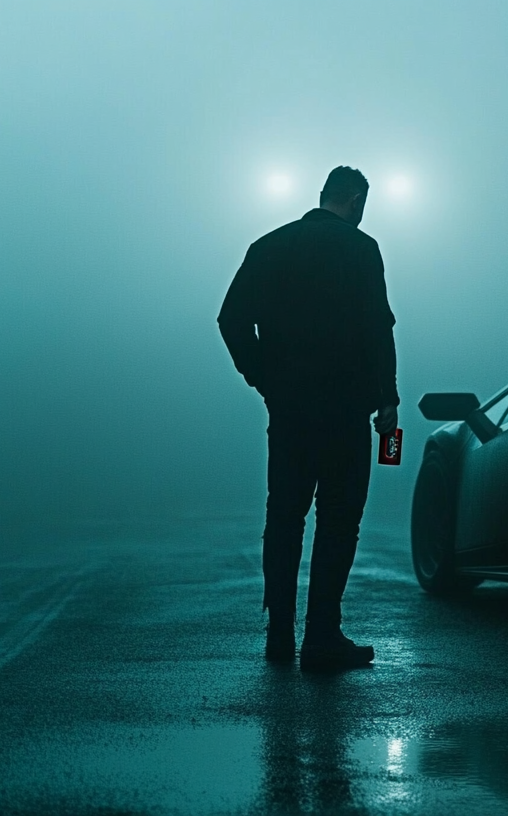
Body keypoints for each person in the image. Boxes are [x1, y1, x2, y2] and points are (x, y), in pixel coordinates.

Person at [218, 166, 399, 670]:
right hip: (345, 409)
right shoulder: (361, 250)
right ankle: (321, 635)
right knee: (339, 519)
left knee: (285, 516)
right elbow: (378, 326)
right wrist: (389, 396)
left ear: (322, 197)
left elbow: (230, 318)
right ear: (357, 199)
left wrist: (264, 380)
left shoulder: (271, 245)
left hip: (291, 408)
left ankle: (278, 633)